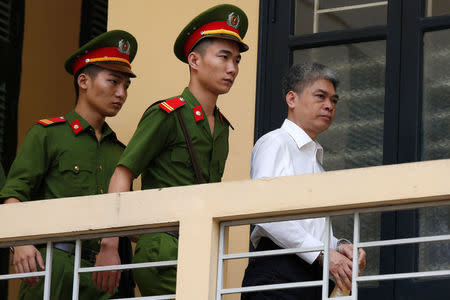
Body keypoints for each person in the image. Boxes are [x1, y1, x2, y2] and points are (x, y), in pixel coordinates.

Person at [95, 4, 250, 296]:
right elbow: (122, 174)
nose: (232, 68)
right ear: (194, 60)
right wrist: (110, 245)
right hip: (162, 249)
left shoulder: (222, 128)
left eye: (237, 60)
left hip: (201, 248)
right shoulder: (167, 114)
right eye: (224, 57)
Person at [0, 30, 138, 299]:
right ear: (83, 80)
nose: (121, 93)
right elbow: (14, 195)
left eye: (126, 86)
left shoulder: (121, 153)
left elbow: (129, 219)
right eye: (113, 82)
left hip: (104, 275)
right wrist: (21, 242)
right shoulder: (48, 134)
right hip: (54, 265)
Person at [241, 63, 366, 300]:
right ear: (292, 99)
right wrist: (325, 254)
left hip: (310, 277)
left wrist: (340, 248)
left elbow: (309, 228)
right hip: (278, 274)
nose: (329, 105)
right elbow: (265, 213)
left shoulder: (315, 160)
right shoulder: (275, 142)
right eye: (320, 96)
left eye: (334, 101)